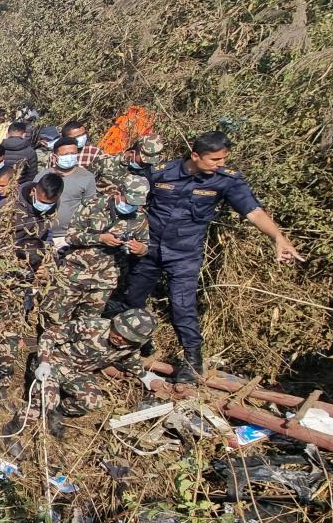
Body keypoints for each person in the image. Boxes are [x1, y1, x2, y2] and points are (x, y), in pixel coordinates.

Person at [108, 131, 302, 383]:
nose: (220, 164)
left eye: (223, 159)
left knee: (183, 306)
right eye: (215, 159)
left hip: (184, 254)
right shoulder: (162, 172)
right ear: (196, 155)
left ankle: (192, 361)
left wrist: (278, 238)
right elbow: (134, 200)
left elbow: (252, 211)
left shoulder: (226, 180)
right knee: (132, 299)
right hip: (148, 249)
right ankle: (136, 345)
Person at [0, 172, 65, 401]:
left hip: (23, 282)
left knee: (13, 332)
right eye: (42, 201)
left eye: (50, 204)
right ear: (35, 191)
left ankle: (1, 383)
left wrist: (46, 264)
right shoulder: (9, 207)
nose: (44, 207)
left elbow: (46, 239)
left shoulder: (49, 209)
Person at [32, 309, 156, 437]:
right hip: (54, 363)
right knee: (47, 401)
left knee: (92, 401)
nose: (120, 338)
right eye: (119, 331)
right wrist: (44, 362)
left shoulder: (131, 347)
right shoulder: (91, 326)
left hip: (80, 373)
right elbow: (50, 335)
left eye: (127, 338)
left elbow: (132, 361)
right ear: (115, 323)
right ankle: (19, 427)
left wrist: (144, 376)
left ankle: (57, 412)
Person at [44, 174, 149, 326]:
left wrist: (141, 249)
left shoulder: (139, 217)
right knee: (56, 318)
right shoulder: (93, 205)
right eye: (130, 202)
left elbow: (145, 245)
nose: (132, 206)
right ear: (118, 193)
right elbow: (71, 236)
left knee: (89, 325)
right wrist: (99, 238)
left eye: (136, 204)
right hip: (74, 273)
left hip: (105, 280)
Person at [36, 137, 97, 248]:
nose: (70, 157)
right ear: (55, 156)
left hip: (68, 236)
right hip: (42, 234)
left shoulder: (87, 177)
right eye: (65, 154)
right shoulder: (42, 176)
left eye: (73, 153)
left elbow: (89, 208)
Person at [92, 133, 164, 192]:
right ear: (133, 152)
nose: (145, 165)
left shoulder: (149, 174)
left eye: (149, 163)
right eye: (143, 161)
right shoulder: (106, 161)